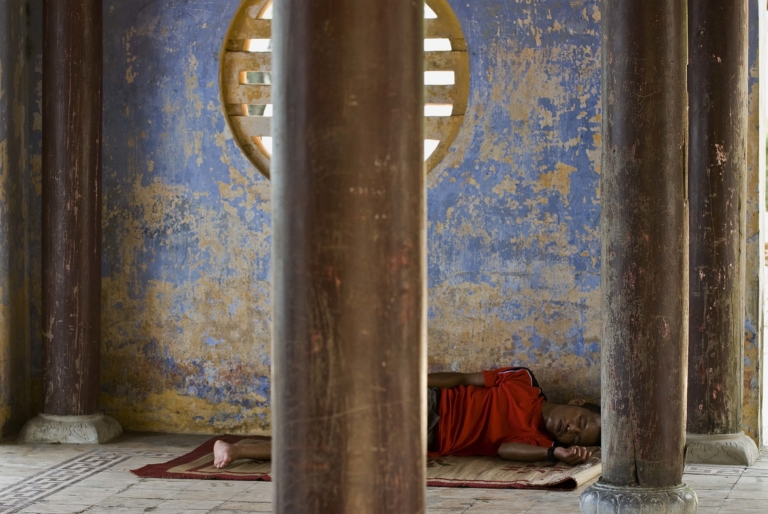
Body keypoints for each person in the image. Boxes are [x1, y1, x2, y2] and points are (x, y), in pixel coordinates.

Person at [212, 366, 601, 469]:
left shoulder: (538, 443)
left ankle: (237, 449)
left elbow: (505, 451)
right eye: (580, 422)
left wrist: (554, 455)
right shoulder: (522, 381)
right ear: (578, 402)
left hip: (427, 435)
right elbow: (463, 379)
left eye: (575, 438)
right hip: (427, 399)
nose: (570, 430)